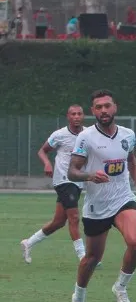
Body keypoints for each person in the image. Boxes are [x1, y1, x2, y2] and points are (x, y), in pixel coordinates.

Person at [67, 89, 136, 302]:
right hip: (96, 206)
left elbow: (132, 163)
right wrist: (90, 175)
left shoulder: (128, 135)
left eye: (107, 106)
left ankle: (120, 287)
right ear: (93, 111)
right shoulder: (86, 138)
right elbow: (72, 171)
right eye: (99, 107)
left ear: (115, 107)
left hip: (122, 199)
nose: (103, 111)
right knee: (91, 258)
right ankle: (79, 298)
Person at [21, 105, 86, 264]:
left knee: (58, 222)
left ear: (83, 116)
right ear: (68, 117)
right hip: (63, 179)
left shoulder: (88, 134)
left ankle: (29, 243)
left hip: (78, 181)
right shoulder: (59, 135)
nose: (76, 116)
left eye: (79, 114)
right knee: (74, 217)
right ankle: (83, 256)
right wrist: (47, 163)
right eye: (73, 114)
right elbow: (42, 151)